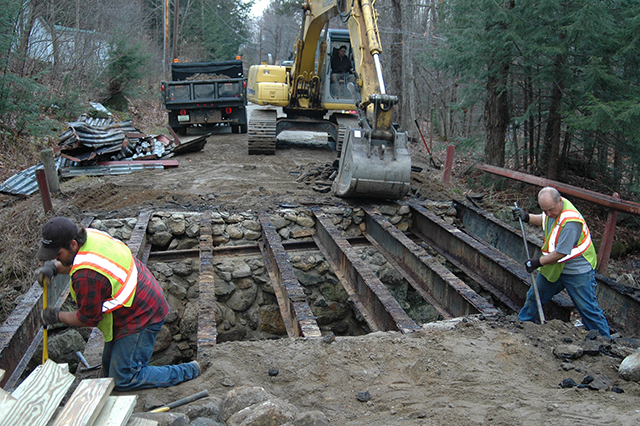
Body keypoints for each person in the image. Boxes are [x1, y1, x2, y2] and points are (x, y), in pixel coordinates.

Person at [36, 217, 199, 390]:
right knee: (108, 371)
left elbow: (88, 318)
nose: (55, 259)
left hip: (142, 314)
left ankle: (189, 370)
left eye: (57, 255)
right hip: (135, 301)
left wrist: (56, 316)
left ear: (73, 244)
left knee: (124, 378)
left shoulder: (86, 276)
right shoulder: (89, 236)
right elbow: (80, 261)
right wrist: (55, 268)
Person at [512, 187, 611, 337]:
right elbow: (545, 219)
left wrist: (537, 262)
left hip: (577, 270)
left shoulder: (570, 222)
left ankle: (604, 341)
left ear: (559, 200)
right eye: (545, 210)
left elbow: (560, 253)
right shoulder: (554, 208)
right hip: (556, 267)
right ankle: (522, 326)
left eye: (550, 210)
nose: (549, 214)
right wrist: (526, 217)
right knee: (534, 295)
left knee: (586, 307)